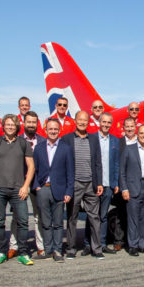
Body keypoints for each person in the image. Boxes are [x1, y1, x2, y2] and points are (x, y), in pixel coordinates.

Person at [0, 114, 35, 266]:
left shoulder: (23, 143)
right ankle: (0, 251)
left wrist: (25, 186)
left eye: (13, 125)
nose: (10, 127)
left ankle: (23, 252)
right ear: (3, 126)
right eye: (8, 124)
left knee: (23, 221)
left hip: (18, 189)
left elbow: (31, 166)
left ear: (17, 127)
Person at [62, 111, 104, 259]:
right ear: (75, 121)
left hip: (91, 183)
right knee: (72, 217)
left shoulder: (93, 139)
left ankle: (97, 249)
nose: (82, 122)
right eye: (79, 120)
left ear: (88, 122)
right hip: (75, 184)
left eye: (85, 120)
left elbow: (98, 162)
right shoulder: (66, 139)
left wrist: (99, 182)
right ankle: (71, 249)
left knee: (94, 217)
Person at [33, 119, 74, 262]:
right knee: (45, 222)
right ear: (46, 130)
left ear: (59, 130)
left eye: (55, 129)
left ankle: (57, 250)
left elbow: (70, 172)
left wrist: (69, 191)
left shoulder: (66, 148)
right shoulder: (38, 148)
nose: (53, 131)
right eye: (50, 129)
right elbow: (34, 170)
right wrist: (37, 186)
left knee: (57, 223)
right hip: (43, 189)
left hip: (59, 190)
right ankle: (47, 249)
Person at [10, 111, 46, 258]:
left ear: (37, 124)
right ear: (23, 123)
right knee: (17, 216)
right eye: (29, 122)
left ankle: (41, 245)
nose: (31, 125)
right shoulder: (16, 141)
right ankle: (13, 245)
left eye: (34, 122)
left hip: (37, 183)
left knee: (39, 215)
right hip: (20, 183)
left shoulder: (43, 141)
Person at [120, 124, 144, 256]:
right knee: (133, 218)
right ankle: (133, 245)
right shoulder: (129, 149)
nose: (143, 136)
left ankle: (142, 243)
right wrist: (124, 188)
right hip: (133, 187)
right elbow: (122, 171)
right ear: (137, 134)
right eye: (141, 133)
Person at [83, 112, 120, 255]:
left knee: (103, 216)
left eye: (108, 122)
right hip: (93, 183)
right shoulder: (91, 138)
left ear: (111, 124)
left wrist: (115, 182)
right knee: (91, 215)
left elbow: (116, 163)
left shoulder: (115, 141)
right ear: (99, 122)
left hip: (108, 183)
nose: (106, 125)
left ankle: (102, 243)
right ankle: (88, 244)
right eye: (103, 122)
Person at [111, 117, 138, 251]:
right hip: (122, 182)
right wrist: (117, 183)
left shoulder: (141, 142)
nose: (129, 128)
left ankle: (136, 240)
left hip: (137, 183)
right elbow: (116, 164)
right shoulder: (119, 143)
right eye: (127, 126)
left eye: (131, 126)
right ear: (123, 128)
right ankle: (118, 241)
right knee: (120, 214)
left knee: (136, 214)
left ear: (135, 127)